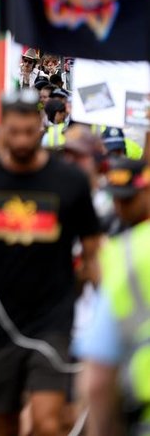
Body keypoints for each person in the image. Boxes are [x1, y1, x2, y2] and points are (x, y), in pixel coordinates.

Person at [0, 88, 103, 436]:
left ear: (40, 129)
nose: (22, 140)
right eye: (14, 132)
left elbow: (93, 246)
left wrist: (89, 294)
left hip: (52, 317)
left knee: (47, 422)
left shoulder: (68, 181)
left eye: (29, 132)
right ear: (1, 131)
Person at [75, 157, 150, 436]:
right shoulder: (109, 230)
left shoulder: (124, 253)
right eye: (117, 199)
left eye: (129, 199)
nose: (121, 206)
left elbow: (97, 379)